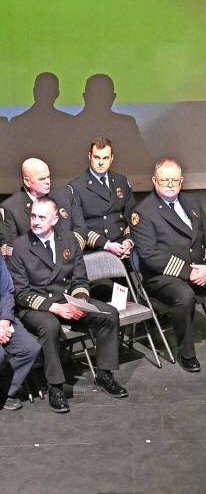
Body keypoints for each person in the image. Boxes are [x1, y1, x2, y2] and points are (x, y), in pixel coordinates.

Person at [7, 197, 127, 412]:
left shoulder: (69, 239)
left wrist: (79, 302)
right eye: (33, 216)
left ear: (54, 219)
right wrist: (55, 307)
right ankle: (55, 387)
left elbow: (80, 279)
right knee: (50, 326)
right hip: (37, 306)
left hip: (67, 300)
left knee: (108, 314)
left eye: (41, 217)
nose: (35, 221)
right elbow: (21, 292)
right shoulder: (20, 246)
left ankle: (104, 374)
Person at [132, 158, 206, 373]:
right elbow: (150, 256)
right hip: (163, 277)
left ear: (181, 181)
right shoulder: (143, 212)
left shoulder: (191, 201)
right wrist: (190, 272)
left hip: (200, 268)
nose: (170, 184)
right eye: (164, 180)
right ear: (154, 181)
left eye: (174, 180)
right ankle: (186, 353)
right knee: (185, 296)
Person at [1, 157, 86, 257]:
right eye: (41, 179)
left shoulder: (65, 195)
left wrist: (68, 254)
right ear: (27, 181)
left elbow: (80, 229)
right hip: (34, 264)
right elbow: (11, 248)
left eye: (48, 177)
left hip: (70, 259)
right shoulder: (11, 208)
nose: (47, 182)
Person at [68, 137, 135, 257]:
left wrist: (128, 240)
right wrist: (106, 245)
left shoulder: (121, 181)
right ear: (89, 156)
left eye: (105, 158)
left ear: (112, 158)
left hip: (124, 247)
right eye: (96, 157)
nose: (101, 162)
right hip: (97, 250)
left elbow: (132, 216)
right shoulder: (76, 187)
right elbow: (78, 227)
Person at [0, 257, 41, 411]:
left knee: (30, 349)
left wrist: (4, 321)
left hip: (2, 317)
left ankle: (5, 392)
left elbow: (7, 291)